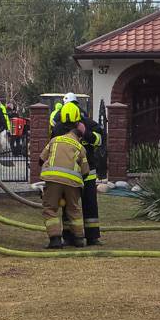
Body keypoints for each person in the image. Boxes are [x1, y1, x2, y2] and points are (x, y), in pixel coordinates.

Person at [51, 94, 105, 246]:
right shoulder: (59, 127)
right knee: (68, 205)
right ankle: (69, 236)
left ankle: (92, 236)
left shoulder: (88, 124)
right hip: (69, 173)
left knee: (90, 204)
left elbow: (100, 140)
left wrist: (85, 133)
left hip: (87, 172)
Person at [39, 103, 90, 249]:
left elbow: (41, 159)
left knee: (50, 208)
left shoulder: (55, 140)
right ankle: (79, 239)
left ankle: (55, 240)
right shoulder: (80, 147)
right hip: (73, 182)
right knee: (74, 209)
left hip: (53, 180)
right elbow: (85, 171)